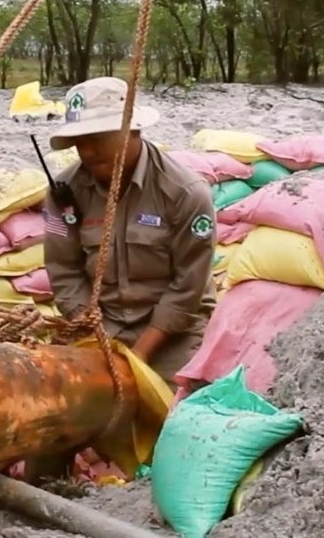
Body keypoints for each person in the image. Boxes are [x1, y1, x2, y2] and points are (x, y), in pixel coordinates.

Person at [42, 76, 216, 384]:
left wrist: (139, 355)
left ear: (132, 129)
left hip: (172, 332)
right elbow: (63, 269)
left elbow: (188, 288)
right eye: (79, 142)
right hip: (99, 327)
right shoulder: (63, 195)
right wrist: (90, 328)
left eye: (97, 137)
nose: (87, 152)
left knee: (174, 413)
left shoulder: (185, 193)